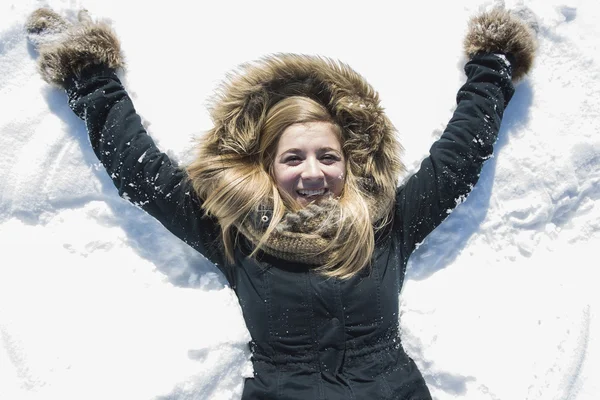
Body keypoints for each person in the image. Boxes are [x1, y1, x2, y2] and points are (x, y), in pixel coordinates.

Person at [25, 7, 536, 400]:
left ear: (349, 162)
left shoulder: (387, 225)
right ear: (267, 165)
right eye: (293, 157)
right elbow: (141, 172)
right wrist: (88, 72)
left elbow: (455, 162)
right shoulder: (234, 231)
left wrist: (492, 66)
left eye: (327, 156)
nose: (313, 173)